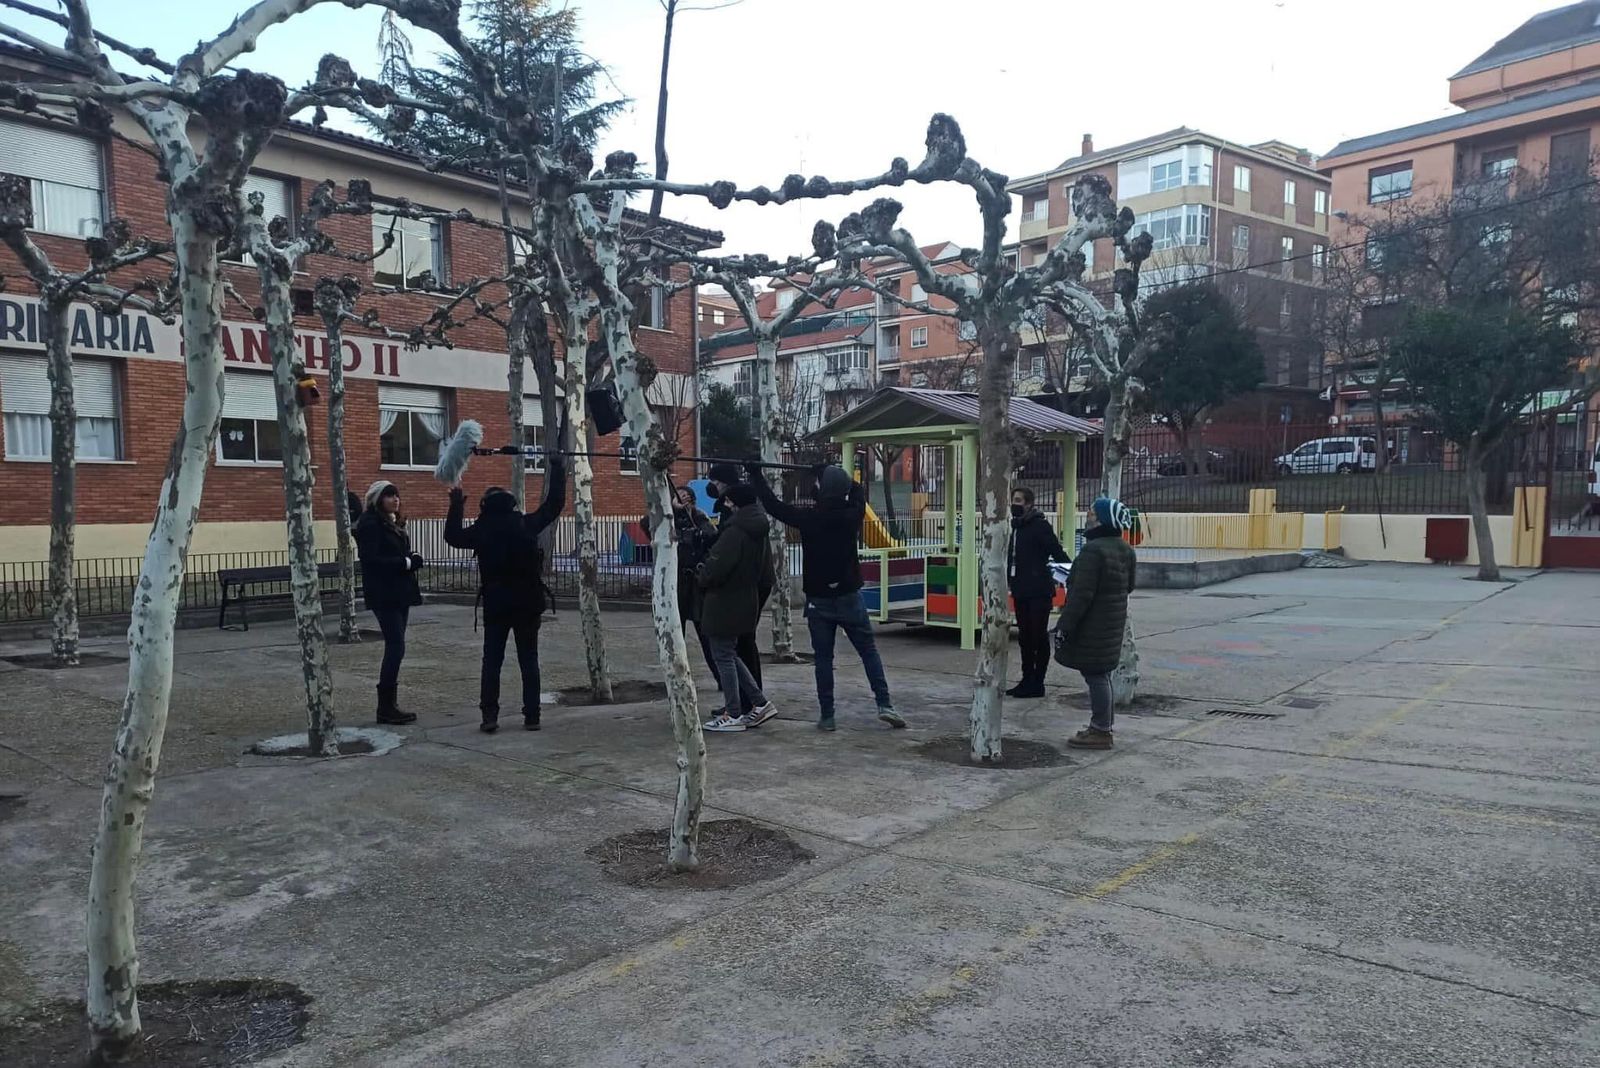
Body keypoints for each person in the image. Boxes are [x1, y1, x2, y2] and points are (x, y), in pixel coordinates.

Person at [749, 462, 905, 732]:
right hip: (849, 595)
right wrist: (827, 473)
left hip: (818, 600)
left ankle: (828, 715)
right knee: (868, 652)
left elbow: (774, 506)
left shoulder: (810, 518)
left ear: (822, 491)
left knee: (823, 659)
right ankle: (884, 704)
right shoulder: (851, 515)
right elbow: (857, 491)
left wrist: (755, 475)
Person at [445, 454, 567, 733]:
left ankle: (490, 716)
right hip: (528, 602)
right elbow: (554, 505)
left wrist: (455, 506)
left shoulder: (482, 529)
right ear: (512, 504)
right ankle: (532, 716)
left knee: (492, 661)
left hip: (497, 604)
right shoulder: (525, 524)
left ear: (485, 506)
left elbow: (452, 537)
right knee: (529, 659)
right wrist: (557, 469)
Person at [1053, 497, 1137, 750]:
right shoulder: (1125, 549)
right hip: (1112, 621)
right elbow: (1129, 586)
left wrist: (1064, 626)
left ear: (1102, 519)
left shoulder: (1093, 551)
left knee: (1095, 675)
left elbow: (1081, 595)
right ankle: (1103, 726)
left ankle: (1100, 730)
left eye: (1091, 513)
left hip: (1093, 623)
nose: (1087, 517)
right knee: (1102, 674)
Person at [697, 483, 778, 732]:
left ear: (734, 503)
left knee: (722, 654)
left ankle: (732, 713)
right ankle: (759, 702)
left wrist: (702, 572)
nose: (726, 505)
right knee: (730, 653)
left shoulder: (735, 532)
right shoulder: (758, 528)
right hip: (745, 597)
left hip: (725, 600)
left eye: (729, 502)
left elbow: (716, 568)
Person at [354, 480, 423, 725]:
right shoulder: (371, 524)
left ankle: (388, 705)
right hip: (385, 593)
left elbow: (398, 552)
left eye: (396, 495)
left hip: (399, 592)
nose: (395, 499)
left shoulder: (391, 522)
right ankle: (385, 706)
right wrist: (405, 563)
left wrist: (411, 557)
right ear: (377, 499)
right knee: (396, 646)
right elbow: (371, 560)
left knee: (397, 646)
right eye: (389, 496)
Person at [705, 462, 764, 697]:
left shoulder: (739, 520)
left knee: (735, 647)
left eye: (717, 483)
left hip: (738, 585)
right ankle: (752, 700)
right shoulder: (750, 515)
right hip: (747, 582)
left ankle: (744, 704)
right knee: (736, 647)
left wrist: (705, 572)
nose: (715, 488)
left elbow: (722, 559)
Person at [1007, 487, 1070, 699]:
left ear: (1028, 504)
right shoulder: (1015, 527)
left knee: (1038, 636)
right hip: (1020, 589)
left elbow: (1057, 552)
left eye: (1018, 500)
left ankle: (1037, 682)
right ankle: (1026, 679)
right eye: (1012, 500)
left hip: (1039, 591)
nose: (1014, 504)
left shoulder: (1040, 526)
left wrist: (1068, 576)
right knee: (1024, 637)